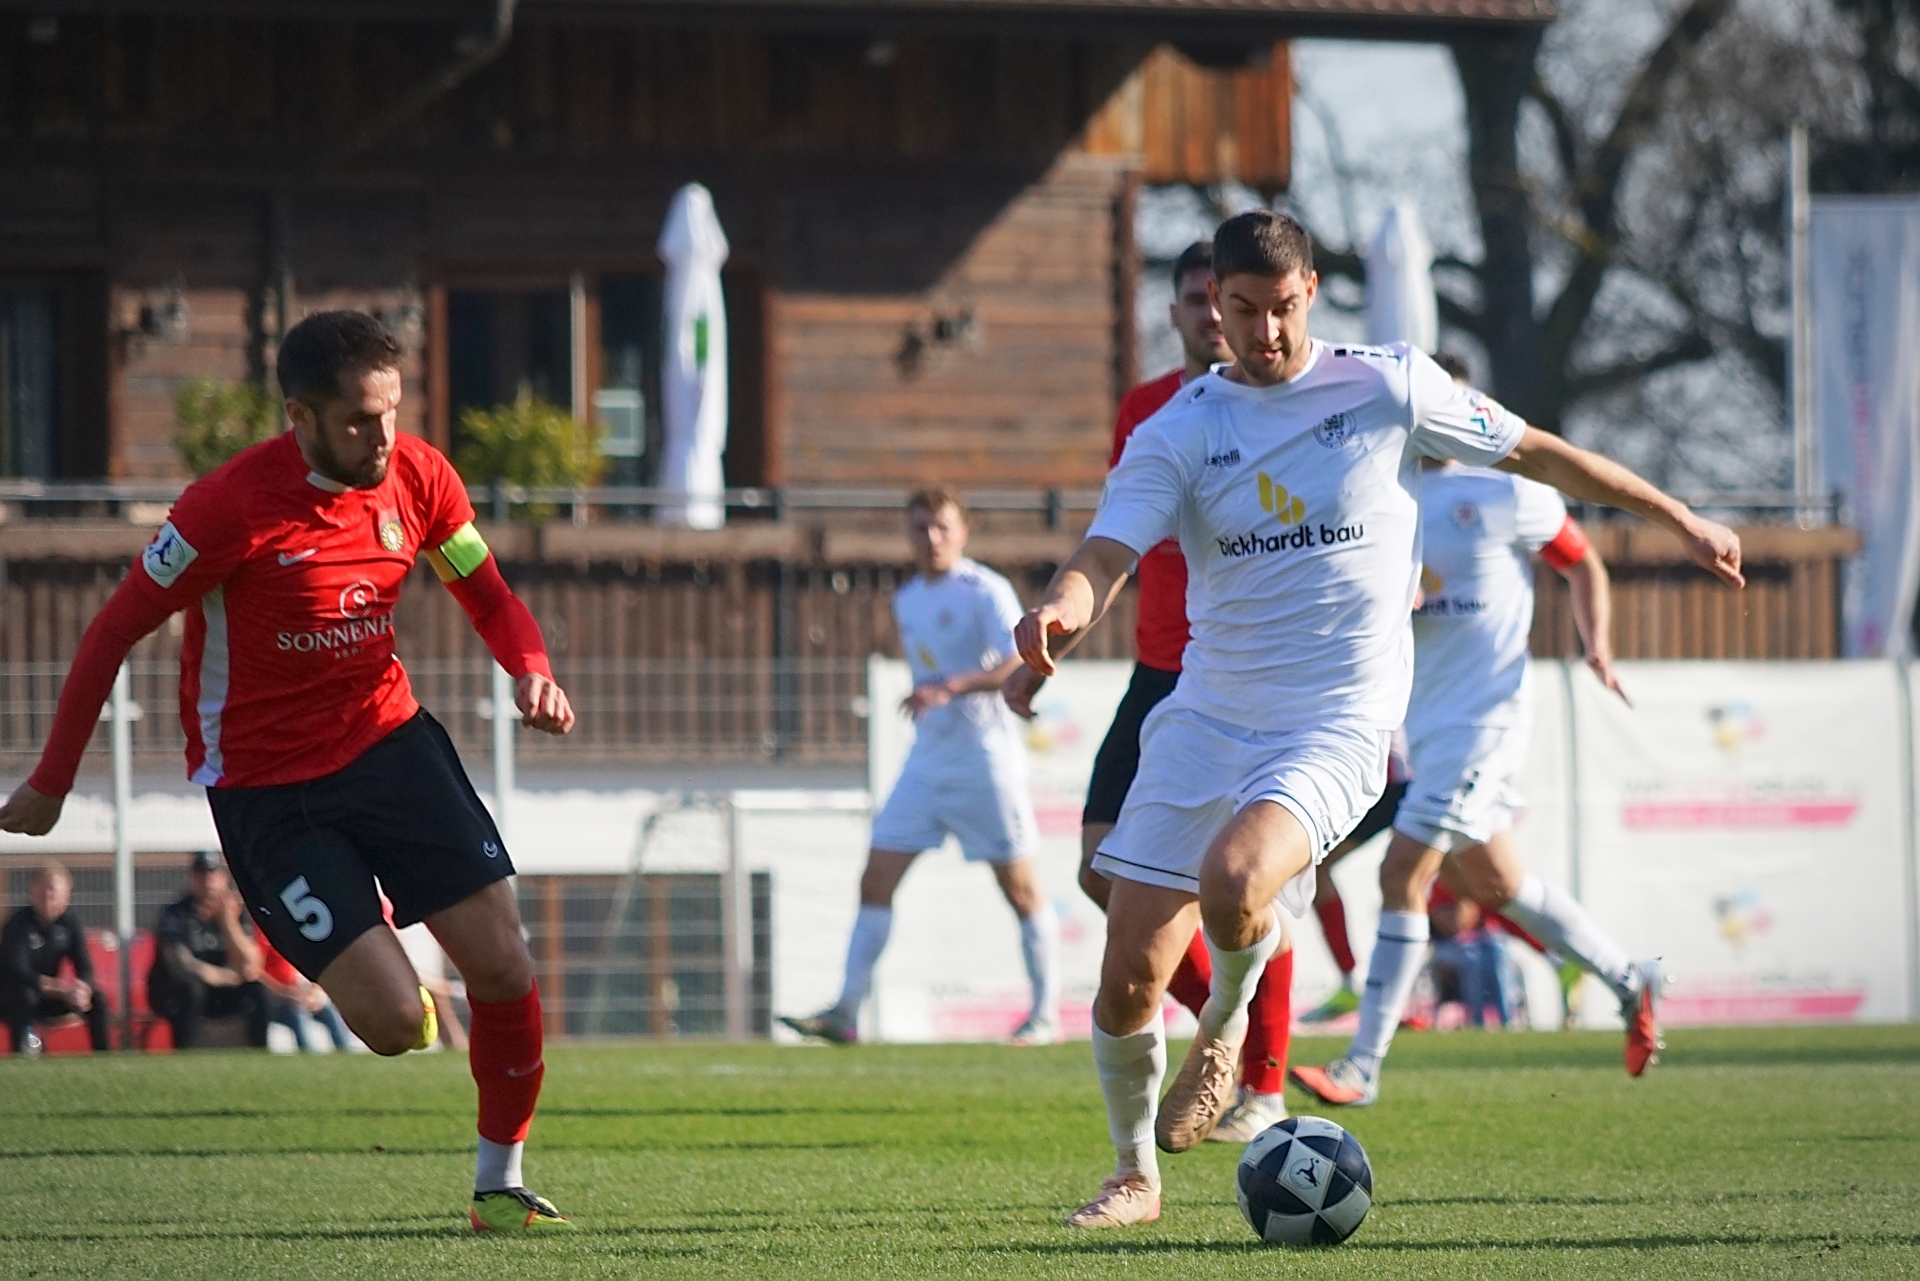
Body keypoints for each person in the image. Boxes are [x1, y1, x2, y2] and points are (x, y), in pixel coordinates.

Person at [1011, 210, 1742, 1229]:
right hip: (1206, 714)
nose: (1265, 332)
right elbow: (1105, 555)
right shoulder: (1178, 426)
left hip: (1335, 724)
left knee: (1236, 882)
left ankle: (1225, 1028)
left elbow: (1539, 452)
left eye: (1282, 308)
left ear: (1312, 292)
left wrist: (1679, 516)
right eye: (1242, 310)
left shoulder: (1388, 384)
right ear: (1213, 303)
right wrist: (1058, 610)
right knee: (1129, 968)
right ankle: (1135, 1177)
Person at [0, 310, 578, 1233]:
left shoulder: (419, 475)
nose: (383, 436)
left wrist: (531, 667)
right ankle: (386, 964)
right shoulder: (227, 507)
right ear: (299, 416)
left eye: (392, 411)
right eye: (359, 419)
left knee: (505, 964)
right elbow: (113, 630)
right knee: (396, 1025)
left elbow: (487, 591)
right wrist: (54, 778)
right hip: (271, 793)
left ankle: (498, 1184)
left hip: (390, 744)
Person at [1003, 240, 1295, 1143]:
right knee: (1101, 865)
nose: (1217, 319)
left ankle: (1266, 1086)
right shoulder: (1148, 411)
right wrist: (1045, 646)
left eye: (1229, 304)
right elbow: (1116, 544)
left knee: (1250, 885)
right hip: (1159, 670)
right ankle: (1224, 1030)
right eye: (1201, 304)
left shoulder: (1287, 407)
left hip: (1244, 679)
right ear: (1180, 312)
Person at [1292, 379, 1652, 1108]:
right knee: (1497, 886)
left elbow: (1580, 559)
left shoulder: (1505, 493)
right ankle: (1629, 978)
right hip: (1424, 730)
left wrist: (1598, 645)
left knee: (1401, 873)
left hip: (1486, 724)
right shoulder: (1375, 499)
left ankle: (1363, 1065)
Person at [782, 487, 1059, 1047]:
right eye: (920, 528)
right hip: (927, 762)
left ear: (963, 532)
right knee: (875, 879)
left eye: (942, 527)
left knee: (1021, 890)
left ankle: (1045, 1015)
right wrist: (932, 695)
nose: (931, 539)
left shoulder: (984, 590)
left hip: (983, 760)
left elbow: (1018, 661)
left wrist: (951, 686)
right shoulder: (908, 598)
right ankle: (845, 1012)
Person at [148, 851, 270, 1049]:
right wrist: (221, 976)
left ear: (224, 878)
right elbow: (179, 962)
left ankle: (260, 1051)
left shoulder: (235, 913)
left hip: (222, 991)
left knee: (257, 990)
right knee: (192, 990)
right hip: (179, 990)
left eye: (214, 875)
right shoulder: (177, 913)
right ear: (192, 878)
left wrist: (228, 923)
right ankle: (185, 1054)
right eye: (202, 875)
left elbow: (252, 963)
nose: (208, 882)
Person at [1, 862, 112, 1054]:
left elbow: (84, 966)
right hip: (14, 996)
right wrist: (59, 988)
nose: (47, 897)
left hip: (53, 996)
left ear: (66, 895)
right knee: (23, 996)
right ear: (32, 893)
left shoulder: (70, 923)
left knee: (97, 999)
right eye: (42, 890)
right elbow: (18, 971)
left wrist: (82, 989)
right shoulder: (18, 924)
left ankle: (103, 1055)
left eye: (53, 891)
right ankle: (22, 1051)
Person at [256, 927, 354, 1052]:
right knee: (297, 1013)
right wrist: (284, 993)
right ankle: (308, 1053)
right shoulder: (263, 935)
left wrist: (315, 992)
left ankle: (345, 1049)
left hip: (302, 993)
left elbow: (316, 968)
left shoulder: (297, 936)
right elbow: (257, 973)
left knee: (329, 1010)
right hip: (277, 999)